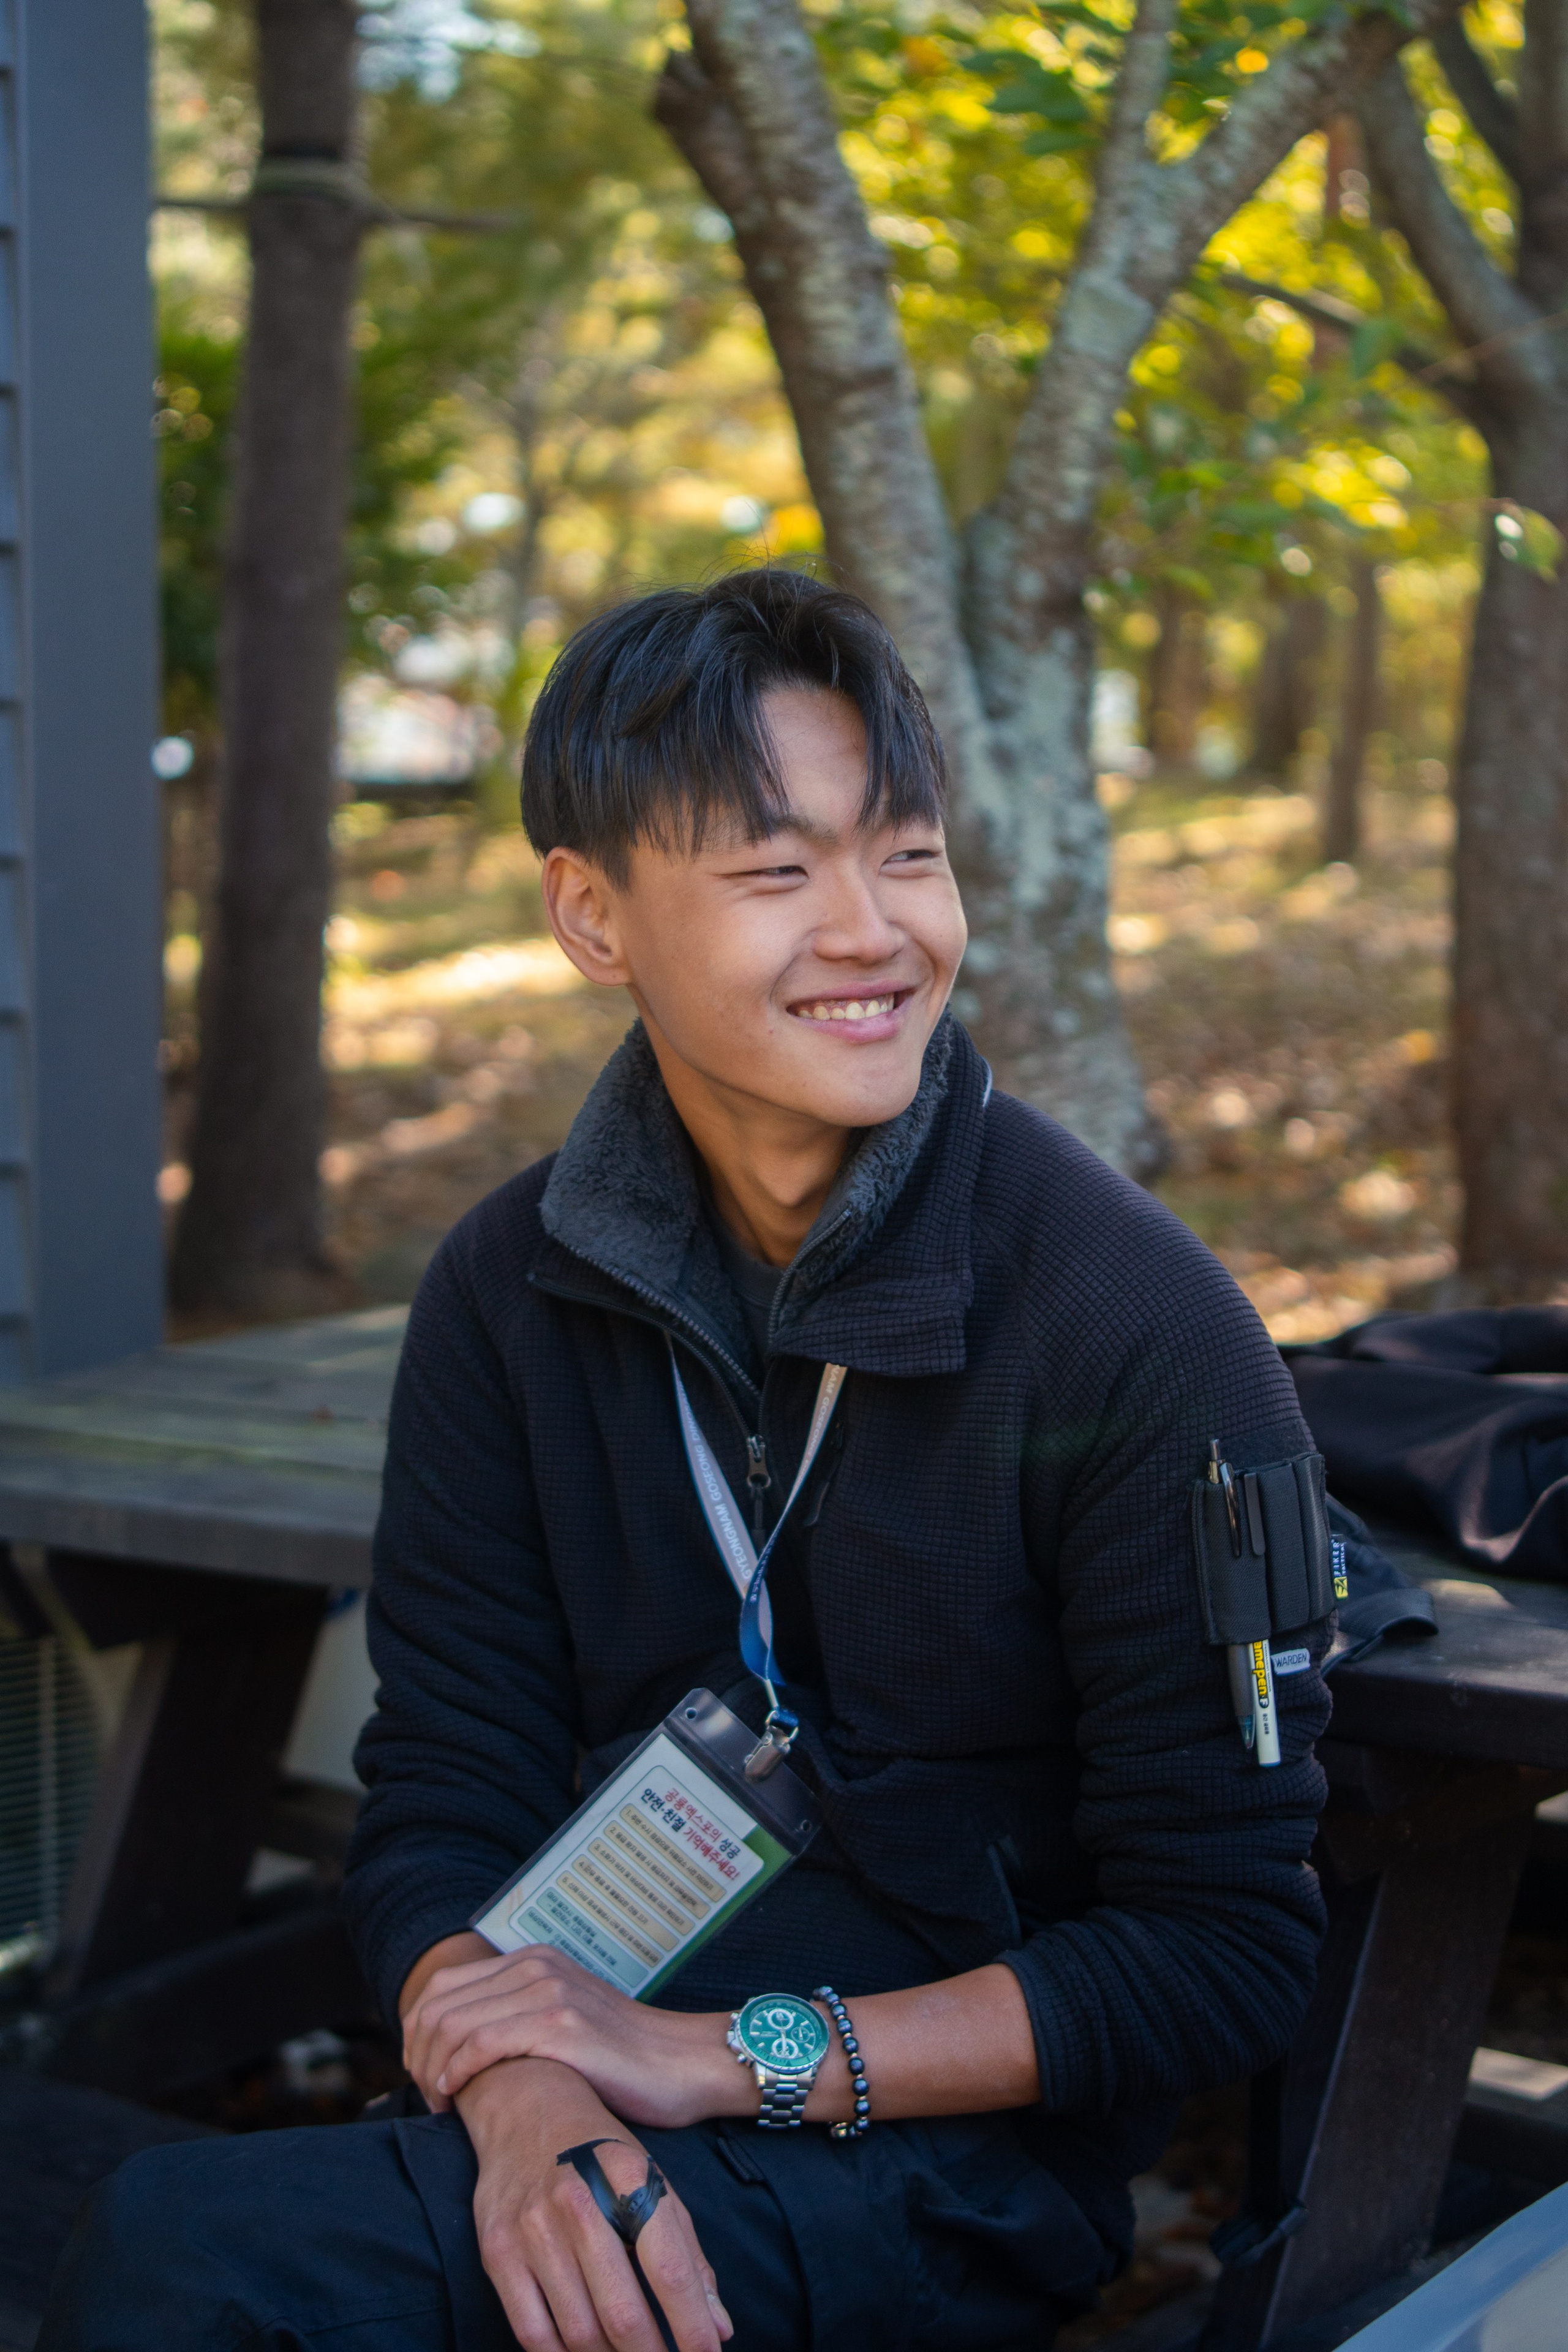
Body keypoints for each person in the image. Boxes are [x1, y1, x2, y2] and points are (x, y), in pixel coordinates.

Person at [40, 569, 1332, 2352]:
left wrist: (712, 2062)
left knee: (182, 2261)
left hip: (942, 2160)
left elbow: (1226, 1951)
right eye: (777, 871)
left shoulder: (1140, 1324)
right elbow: (444, 1796)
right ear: (593, 917)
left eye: (909, 853)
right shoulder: (509, 1291)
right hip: (587, 2063)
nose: (874, 930)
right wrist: (522, 2099)